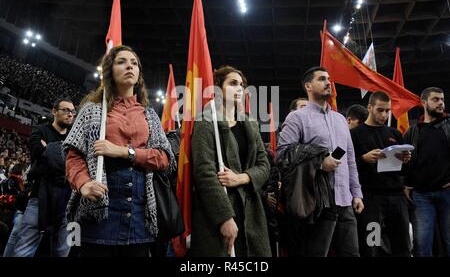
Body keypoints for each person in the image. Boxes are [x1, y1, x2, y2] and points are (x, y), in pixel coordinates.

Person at [64, 45, 176, 257]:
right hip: (98, 208)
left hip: (140, 211)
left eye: (134, 63)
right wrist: (84, 183)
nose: (129, 66)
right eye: (122, 62)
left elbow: (165, 158)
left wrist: (124, 152)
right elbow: (74, 155)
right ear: (110, 70)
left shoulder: (150, 114)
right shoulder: (92, 109)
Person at [277, 66, 364, 257]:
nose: (328, 83)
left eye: (329, 79)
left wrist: (356, 193)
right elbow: (282, 155)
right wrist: (318, 162)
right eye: (322, 79)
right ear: (308, 86)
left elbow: (350, 159)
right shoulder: (297, 117)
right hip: (317, 203)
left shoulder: (340, 119)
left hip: (345, 201)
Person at [190, 65, 271, 257]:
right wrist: (224, 217)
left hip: (252, 212)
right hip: (219, 213)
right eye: (233, 83)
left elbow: (264, 164)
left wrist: (242, 178)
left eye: (241, 85)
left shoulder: (250, 124)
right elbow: (204, 172)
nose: (240, 89)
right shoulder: (205, 121)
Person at [11, 98, 75, 257]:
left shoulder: (74, 137)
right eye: (65, 110)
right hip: (39, 196)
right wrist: (64, 159)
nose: (70, 114)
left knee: (64, 250)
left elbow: (76, 166)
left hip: (68, 200)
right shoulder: (39, 130)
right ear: (54, 111)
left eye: (72, 112)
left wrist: (49, 151)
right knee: (24, 248)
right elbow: (37, 154)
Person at [350, 91, 411, 256]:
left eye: (387, 110)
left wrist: (405, 160)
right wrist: (363, 158)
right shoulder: (355, 134)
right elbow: (345, 165)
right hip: (371, 200)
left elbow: (406, 170)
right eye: (380, 110)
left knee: (402, 245)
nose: (384, 114)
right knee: (373, 246)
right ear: (369, 107)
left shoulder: (395, 134)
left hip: (397, 198)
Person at [403, 87, 450, 257]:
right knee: (422, 244)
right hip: (421, 195)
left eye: (442, 100)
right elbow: (405, 162)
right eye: (436, 99)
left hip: (447, 192)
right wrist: (406, 183)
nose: (441, 103)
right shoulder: (413, 131)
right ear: (424, 103)